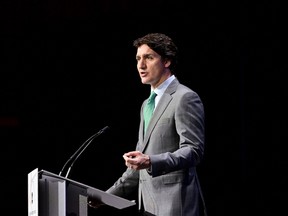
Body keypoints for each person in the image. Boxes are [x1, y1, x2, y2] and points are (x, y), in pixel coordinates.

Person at [89, 33, 206, 216]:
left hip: (176, 205)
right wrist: (105, 196)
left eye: (148, 58)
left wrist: (151, 161)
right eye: (138, 59)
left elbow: (193, 150)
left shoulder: (185, 97)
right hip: (149, 207)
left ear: (166, 61)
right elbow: (136, 168)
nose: (140, 65)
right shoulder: (146, 105)